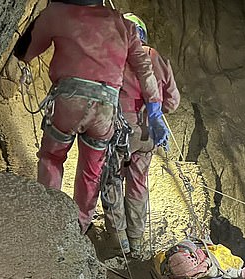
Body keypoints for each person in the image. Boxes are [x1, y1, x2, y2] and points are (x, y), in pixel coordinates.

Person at [14, 0, 167, 234]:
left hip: (69, 100)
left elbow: (23, 52)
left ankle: (47, 218)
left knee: (52, 157)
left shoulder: (57, 13)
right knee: (91, 171)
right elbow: (144, 69)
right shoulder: (122, 23)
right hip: (105, 107)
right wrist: (155, 111)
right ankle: (79, 226)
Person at [100, 13, 180, 256]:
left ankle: (119, 239)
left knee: (111, 179)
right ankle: (136, 240)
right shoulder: (154, 57)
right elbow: (173, 101)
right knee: (137, 182)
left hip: (116, 130)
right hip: (146, 133)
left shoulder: (110, 55)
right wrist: (153, 112)